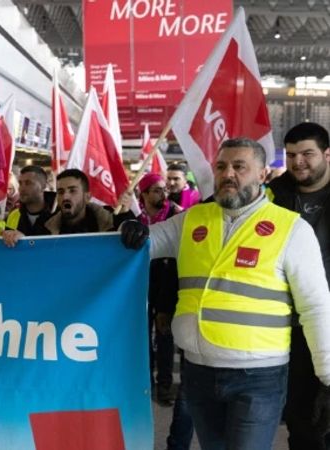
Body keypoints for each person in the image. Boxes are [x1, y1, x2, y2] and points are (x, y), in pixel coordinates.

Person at [120, 138, 330, 450]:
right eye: (221, 166)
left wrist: (327, 375)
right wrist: (126, 226)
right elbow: (135, 246)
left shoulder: (292, 229)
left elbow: (315, 306)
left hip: (258, 377)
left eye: (239, 166)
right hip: (198, 372)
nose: (227, 173)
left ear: (261, 175)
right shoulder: (191, 220)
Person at [267, 122, 330, 449]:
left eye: (307, 154)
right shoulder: (272, 195)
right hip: (290, 323)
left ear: (327, 154)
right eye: (291, 155)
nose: (298, 162)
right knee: (304, 418)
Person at [136, 173, 183, 407]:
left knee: (165, 337)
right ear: (143, 194)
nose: (162, 193)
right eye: (155, 189)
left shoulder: (177, 216)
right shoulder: (137, 220)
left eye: (163, 189)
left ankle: (165, 386)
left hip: (168, 286)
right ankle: (146, 385)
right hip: (142, 288)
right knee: (142, 339)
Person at [38, 169, 117, 236]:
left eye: (72, 191)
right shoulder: (44, 227)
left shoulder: (112, 224)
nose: (65, 197)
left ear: (87, 197)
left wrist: (126, 220)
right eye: (61, 192)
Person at [3, 165, 55, 243]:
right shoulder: (14, 215)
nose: (22, 188)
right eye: (20, 183)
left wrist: (25, 239)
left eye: (28, 183)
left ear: (43, 186)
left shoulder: (58, 214)